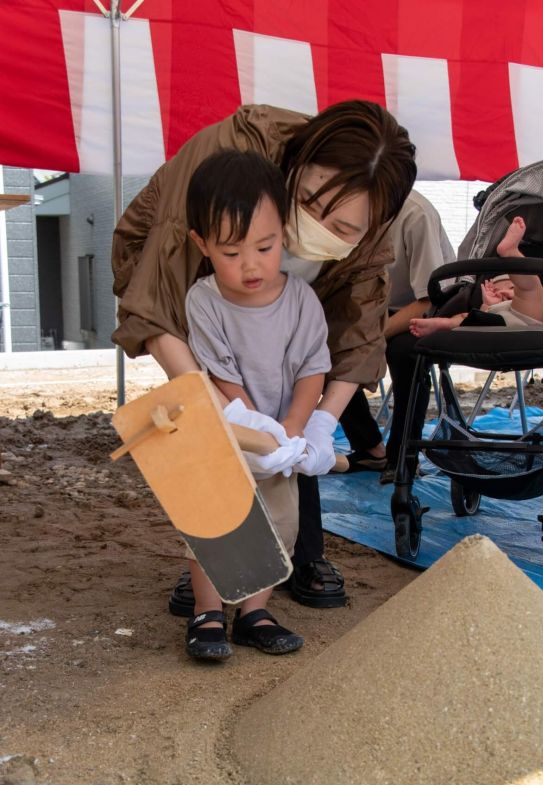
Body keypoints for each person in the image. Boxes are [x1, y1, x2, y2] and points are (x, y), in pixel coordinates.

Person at [111, 101, 417, 613]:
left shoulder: (374, 225)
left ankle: (298, 554)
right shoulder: (229, 156)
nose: (320, 227)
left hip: (282, 312)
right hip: (191, 291)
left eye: (343, 228)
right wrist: (224, 412)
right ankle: (213, 566)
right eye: (310, 203)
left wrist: (320, 424)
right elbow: (158, 304)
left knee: (283, 432)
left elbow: (357, 331)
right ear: (294, 167)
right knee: (212, 432)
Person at [183, 149, 332, 660]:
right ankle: (207, 612)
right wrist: (257, 427)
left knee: (279, 527)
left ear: (284, 235)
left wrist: (293, 429)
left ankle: (253, 611)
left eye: (264, 247)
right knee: (216, 521)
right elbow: (221, 375)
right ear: (201, 244)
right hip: (227, 436)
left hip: (280, 444)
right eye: (230, 252)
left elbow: (315, 367)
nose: (250, 264)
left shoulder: (301, 301)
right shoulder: (204, 301)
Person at [337, 189, 455, 484]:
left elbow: (429, 299)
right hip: (372, 307)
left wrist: (375, 336)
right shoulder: (344, 206)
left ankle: (404, 455)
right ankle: (369, 449)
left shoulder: (417, 215)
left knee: (406, 354)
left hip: (424, 307)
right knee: (323, 347)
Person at [409, 217, 543, 337]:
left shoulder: (539, 299)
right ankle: (444, 323)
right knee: (468, 317)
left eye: (511, 286)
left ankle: (511, 253)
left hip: (531, 323)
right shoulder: (497, 306)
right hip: (497, 323)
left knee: (529, 289)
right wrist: (488, 305)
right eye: (496, 290)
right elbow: (481, 317)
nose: (503, 293)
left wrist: (516, 294)